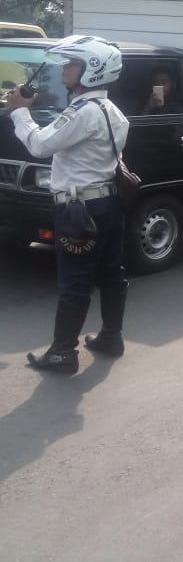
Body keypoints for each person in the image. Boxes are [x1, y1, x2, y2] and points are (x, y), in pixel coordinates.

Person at [6, 35, 130, 374]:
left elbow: (40, 145)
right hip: (108, 204)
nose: (65, 70)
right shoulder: (112, 111)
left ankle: (63, 353)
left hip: (79, 209)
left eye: (72, 65)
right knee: (111, 273)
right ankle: (110, 336)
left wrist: (19, 112)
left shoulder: (82, 112)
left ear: (92, 70)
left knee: (74, 280)